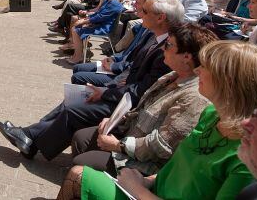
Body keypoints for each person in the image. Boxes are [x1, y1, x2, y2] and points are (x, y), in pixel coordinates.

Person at [71, 41, 257, 200]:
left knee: (78, 176)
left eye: (205, 68)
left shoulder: (249, 157)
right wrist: (145, 181)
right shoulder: (211, 114)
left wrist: (137, 188)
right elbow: (176, 167)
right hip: (150, 188)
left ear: (228, 82)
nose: (197, 71)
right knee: (78, 172)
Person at [0, 0, 183, 161]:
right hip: (123, 90)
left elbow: (142, 91)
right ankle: (29, 136)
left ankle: (31, 142)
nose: (140, 13)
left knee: (74, 108)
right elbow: (136, 70)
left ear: (161, 17)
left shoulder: (168, 48)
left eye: (145, 11)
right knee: (74, 98)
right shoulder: (155, 37)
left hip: (130, 106)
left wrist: (106, 92)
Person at [64, 24, 217, 182]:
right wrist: (116, 120)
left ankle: (83, 183)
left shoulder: (194, 96)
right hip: (131, 135)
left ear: (187, 56)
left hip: (147, 166)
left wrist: (119, 146)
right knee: (81, 137)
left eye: (168, 44)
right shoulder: (172, 76)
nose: (163, 48)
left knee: (82, 164)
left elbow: (162, 146)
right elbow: (142, 109)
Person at [64, 0, 125, 64]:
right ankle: (77, 54)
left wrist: (85, 21)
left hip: (104, 28)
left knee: (75, 30)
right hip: (99, 24)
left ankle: (78, 57)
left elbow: (101, 17)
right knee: (76, 26)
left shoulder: (115, 3)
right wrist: (87, 17)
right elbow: (98, 13)